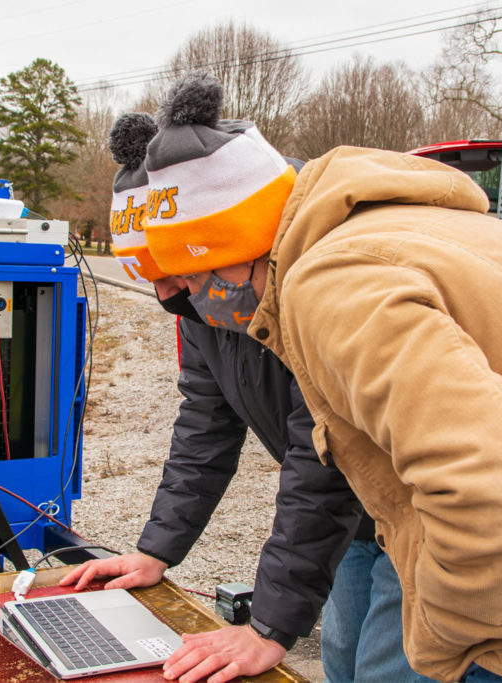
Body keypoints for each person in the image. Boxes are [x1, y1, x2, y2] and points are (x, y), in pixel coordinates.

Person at [140, 71, 502, 683]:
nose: (191, 301)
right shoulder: (392, 230)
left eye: (193, 281)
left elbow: (501, 496)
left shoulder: (330, 281)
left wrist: (441, 642)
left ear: (232, 247)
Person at [61, 113, 434, 682]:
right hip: (355, 513)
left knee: (388, 670)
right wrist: (156, 550)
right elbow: (204, 426)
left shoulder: (316, 279)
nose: (167, 294)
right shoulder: (201, 301)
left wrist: (269, 627)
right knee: (341, 657)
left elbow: (320, 447)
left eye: (175, 271)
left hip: (421, 510)